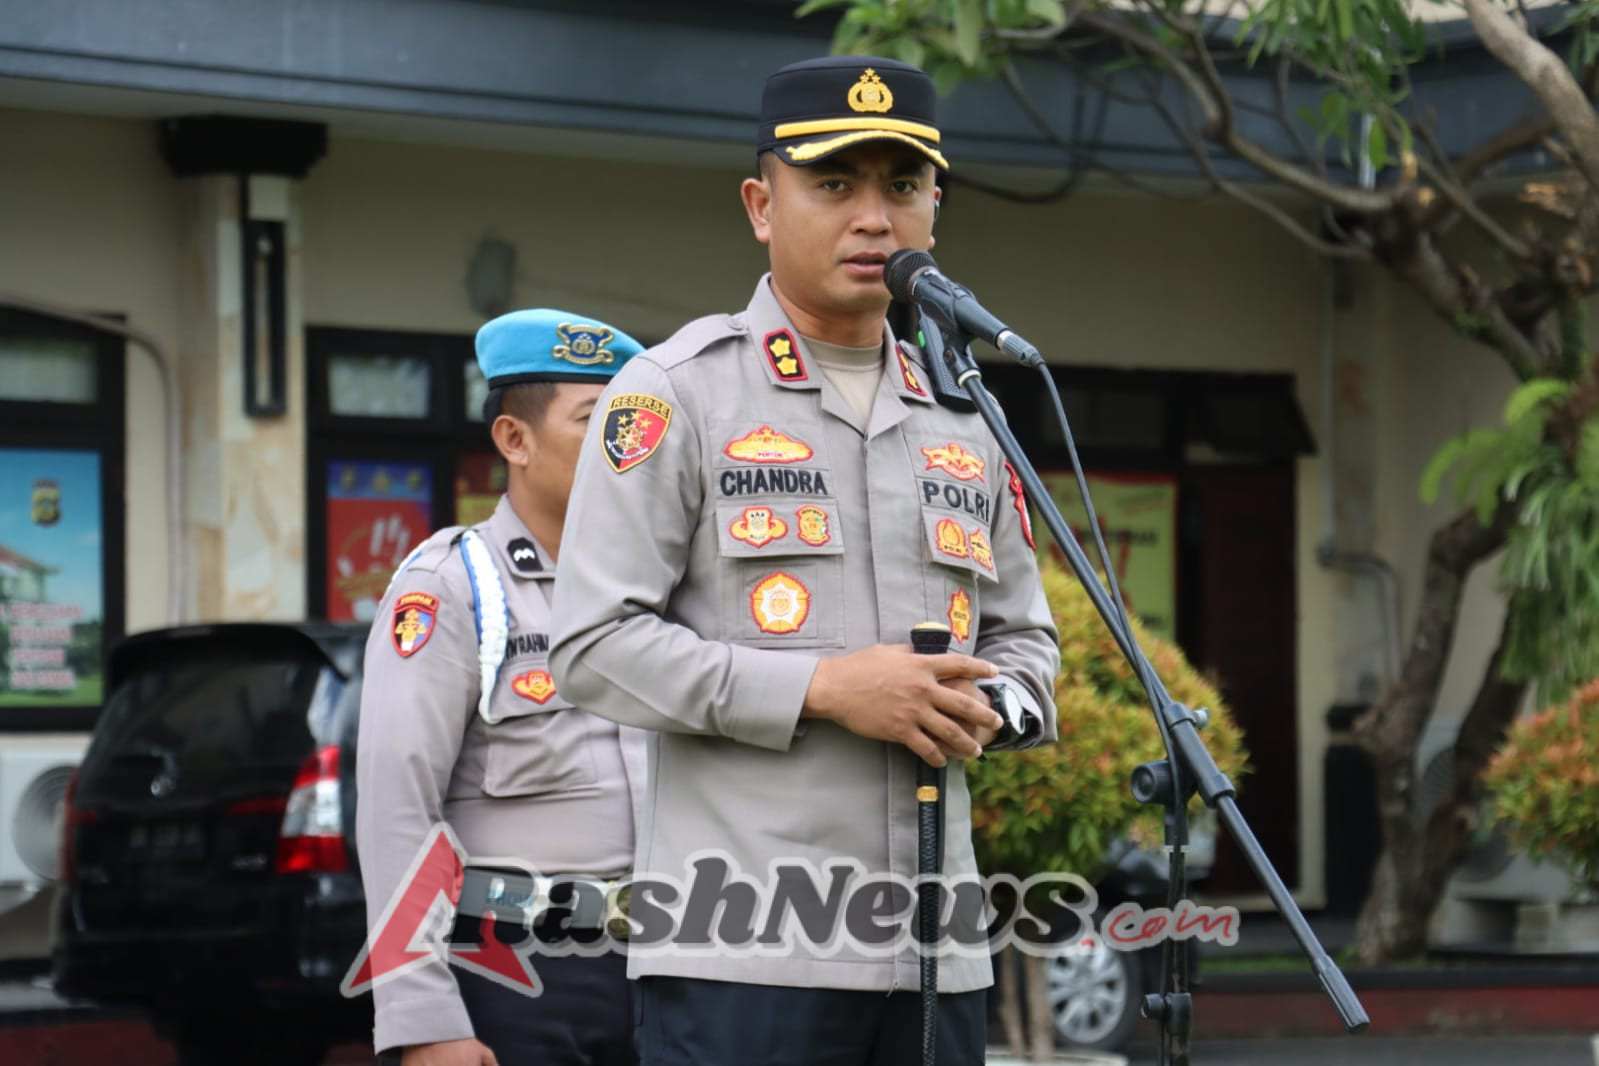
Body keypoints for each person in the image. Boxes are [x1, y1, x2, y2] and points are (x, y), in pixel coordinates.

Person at [548, 55, 1060, 1065]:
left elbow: (1027, 638)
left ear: (934, 209)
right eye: (835, 184)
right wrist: (824, 687)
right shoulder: (676, 396)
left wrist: (994, 705)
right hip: (745, 951)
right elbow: (592, 645)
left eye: (902, 186)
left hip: (936, 951)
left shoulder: (968, 417)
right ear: (760, 205)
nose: (874, 218)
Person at [355, 309, 649, 1066]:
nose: (629, 446)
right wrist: (423, 1019)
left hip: (672, 968)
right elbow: (396, 809)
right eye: (597, 420)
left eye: (636, 421)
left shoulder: (667, 588)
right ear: (515, 441)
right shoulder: (453, 585)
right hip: (516, 972)